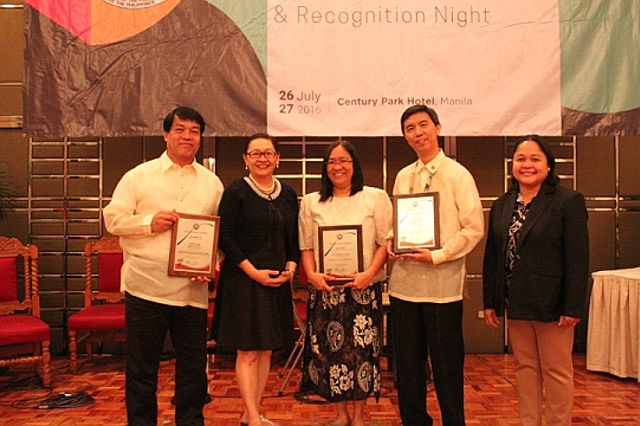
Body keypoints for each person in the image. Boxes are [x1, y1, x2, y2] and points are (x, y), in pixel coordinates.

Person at [103, 106, 224, 425]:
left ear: (200, 137)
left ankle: (191, 421)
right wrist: (148, 223)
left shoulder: (212, 183)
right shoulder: (138, 176)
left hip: (191, 292)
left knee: (194, 368)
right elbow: (112, 219)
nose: (187, 136)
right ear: (166, 134)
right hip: (146, 287)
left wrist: (212, 263)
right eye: (180, 129)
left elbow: (216, 234)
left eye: (194, 131)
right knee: (142, 368)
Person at [386, 104, 484, 426]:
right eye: (410, 128)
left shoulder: (458, 174)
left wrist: (438, 255)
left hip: (442, 287)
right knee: (409, 367)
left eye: (423, 125)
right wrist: (391, 240)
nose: (418, 133)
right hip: (404, 287)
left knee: (446, 367)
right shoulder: (403, 176)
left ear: (438, 128)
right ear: (405, 136)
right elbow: (397, 223)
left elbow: (473, 228)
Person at [482, 135, 589, 426]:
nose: (526, 165)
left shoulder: (568, 201)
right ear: (512, 164)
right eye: (520, 159)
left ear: (548, 165)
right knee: (524, 368)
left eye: (534, 158)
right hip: (515, 301)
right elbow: (493, 255)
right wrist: (490, 302)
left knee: (556, 371)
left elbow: (578, 259)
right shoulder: (502, 204)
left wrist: (573, 306)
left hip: (554, 306)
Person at [298, 141, 392, 426]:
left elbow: (385, 243)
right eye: (331, 162)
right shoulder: (311, 202)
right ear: (325, 169)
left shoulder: (375, 197)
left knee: (362, 354)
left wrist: (369, 274)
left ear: (355, 165)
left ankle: (360, 416)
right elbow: (306, 247)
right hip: (326, 292)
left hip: (363, 290)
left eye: (344, 161)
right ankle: (339, 415)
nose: (337, 167)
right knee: (329, 355)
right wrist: (312, 276)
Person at [212, 134, 300, 426]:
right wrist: (251, 271)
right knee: (248, 352)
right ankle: (252, 418)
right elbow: (225, 236)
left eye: (268, 153)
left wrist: (291, 264)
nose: (262, 158)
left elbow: (293, 236)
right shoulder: (236, 191)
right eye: (255, 153)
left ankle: (253, 412)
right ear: (245, 159)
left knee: (265, 352)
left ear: (277, 158)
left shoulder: (287, 193)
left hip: (275, 281)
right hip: (244, 282)